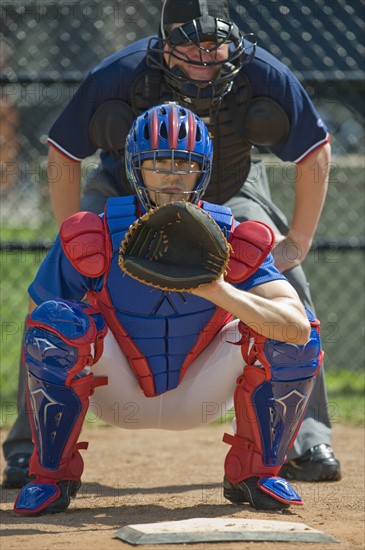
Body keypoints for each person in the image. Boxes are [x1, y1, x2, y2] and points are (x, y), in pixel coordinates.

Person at [2, 0, 340, 488]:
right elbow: (64, 150)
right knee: (56, 307)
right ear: (163, 45)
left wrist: (299, 242)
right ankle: (29, 444)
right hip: (126, 185)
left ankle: (306, 438)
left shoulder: (261, 71)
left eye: (214, 46)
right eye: (189, 48)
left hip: (228, 187)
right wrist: (72, 236)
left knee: (288, 293)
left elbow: (315, 149)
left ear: (232, 39)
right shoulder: (121, 72)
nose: (204, 59)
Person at [14, 103, 323, 516]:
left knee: (290, 338)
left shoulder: (234, 238)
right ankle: (51, 474)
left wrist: (217, 290)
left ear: (204, 170)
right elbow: (37, 322)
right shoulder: (94, 233)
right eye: (159, 162)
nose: (174, 176)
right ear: (135, 168)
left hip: (201, 391)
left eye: (186, 164)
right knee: (53, 324)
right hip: (116, 389)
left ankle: (256, 472)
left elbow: (298, 329)